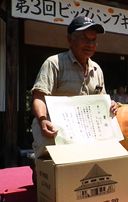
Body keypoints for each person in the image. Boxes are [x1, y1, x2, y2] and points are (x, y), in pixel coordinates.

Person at [31, 16, 118, 159]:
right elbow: (39, 97)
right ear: (70, 40)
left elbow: (101, 100)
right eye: (84, 38)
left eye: (93, 40)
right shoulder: (54, 63)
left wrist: (110, 105)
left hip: (86, 130)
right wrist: (42, 120)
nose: (90, 44)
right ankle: (38, 162)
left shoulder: (97, 69)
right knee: (54, 163)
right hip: (54, 129)